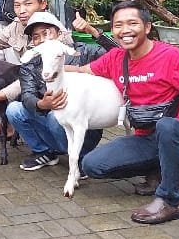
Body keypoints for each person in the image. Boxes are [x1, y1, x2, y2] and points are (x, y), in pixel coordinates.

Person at [79, 0, 179, 225]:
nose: (125, 30)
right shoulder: (116, 58)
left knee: (167, 125)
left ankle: (170, 201)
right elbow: (82, 70)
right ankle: (158, 170)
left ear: (147, 27)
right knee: (91, 165)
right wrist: (48, 70)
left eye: (132, 23)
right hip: (147, 139)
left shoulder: (172, 56)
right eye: (118, 25)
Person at [0, 0, 102, 145]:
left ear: (43, 4)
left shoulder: (57, 34)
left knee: (44, 113)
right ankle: (3, 123)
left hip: (51, 89)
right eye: (17, 5)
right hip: (30, 78)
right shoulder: (17, 25)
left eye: (27, 4)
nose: (21, 10)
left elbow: (37, 76)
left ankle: (45, 139)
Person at [8, 11, 106, 172]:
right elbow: (27, 95)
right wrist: (41, 104)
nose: (42, 39)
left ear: (59, 34)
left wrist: (92, 31)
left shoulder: (82, 52)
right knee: (14, 109)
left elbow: (119, 53)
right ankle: (45, 152)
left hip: (84, 124)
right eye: (36, 37)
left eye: (47, 33)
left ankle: (81, 157)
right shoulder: (30, 63)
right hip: (51, 119)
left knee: (56, 116)